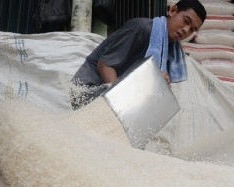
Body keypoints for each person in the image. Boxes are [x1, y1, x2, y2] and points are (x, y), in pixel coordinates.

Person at [70, 0, 206, 110]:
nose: (186, 30)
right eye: (186, 21)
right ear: (173, 11)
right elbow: (105, 65)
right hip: (87, 90)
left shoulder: (170, 49)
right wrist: (121, 105)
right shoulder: (142, 28)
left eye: (192, 30)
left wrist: (159, 82)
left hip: (111, 94)